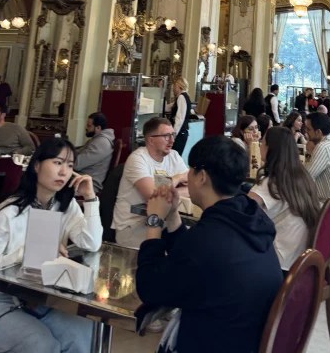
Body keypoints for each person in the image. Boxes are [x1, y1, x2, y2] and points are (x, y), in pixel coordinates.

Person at [135, 136, 282, 353]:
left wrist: (154, 220)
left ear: (202, 176)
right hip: (245, 339)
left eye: (191, 171)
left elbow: (149, 288)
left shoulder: (207, 239)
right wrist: (173, 214)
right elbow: (190, 258)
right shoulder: (250, 221)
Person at [0, 138, 102, 353]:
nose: (64, 172)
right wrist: (29, 251)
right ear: (37, 165)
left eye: (70, 165)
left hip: (40, 298)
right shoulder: (9, 212)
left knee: (84, 333)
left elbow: (91, 243)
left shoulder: (65, 205)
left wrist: (90, 198)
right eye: (57, 163)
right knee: (41, 345)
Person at [249, 126, 319, 271]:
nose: (260, 145)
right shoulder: (302, 176)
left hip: (278, 264)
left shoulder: (272, 183)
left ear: (270, 148)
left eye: (263, 142)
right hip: (300, 260)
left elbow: (241, 210)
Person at [112, 117, 188, 248]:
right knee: (174, 251)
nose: (172, 140)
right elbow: (154, 196)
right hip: (133, 227)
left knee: (190, 243)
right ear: (151, 140)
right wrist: (178, 178)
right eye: (166, 136)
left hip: (161, 222)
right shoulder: (137, 159)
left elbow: (193, 188)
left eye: (173, 135)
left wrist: (172, 192)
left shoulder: (174, 156)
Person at [75, 112, 115, 194]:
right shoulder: (97, 140)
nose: (86, 128)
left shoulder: (102, 143)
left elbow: (76, 164)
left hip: (87, 184)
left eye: (89, 126)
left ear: (98, 128)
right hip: (80, 178)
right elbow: (78, 152)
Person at [168, 76, 191, 156]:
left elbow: (179, 119)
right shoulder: (185, 97)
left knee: (174, 157)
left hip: (179, 134)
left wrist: (173, 135)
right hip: (182, 133)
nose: (173, 88)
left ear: (179, 87)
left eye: (175, 86)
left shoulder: (181, 97)